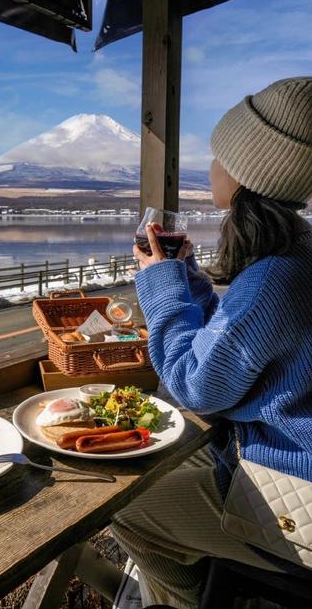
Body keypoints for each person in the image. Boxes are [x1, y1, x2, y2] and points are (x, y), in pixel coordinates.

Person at [111, 77, 312, 609]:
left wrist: (157, 285)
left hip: (296, 491)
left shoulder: (278, 275)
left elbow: (195, 385)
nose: (211, 168)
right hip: (281, 460)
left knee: (131, 514)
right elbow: (238, 343)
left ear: (248, 173)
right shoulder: (298, 253)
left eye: (219, 156)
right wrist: (187, 281)